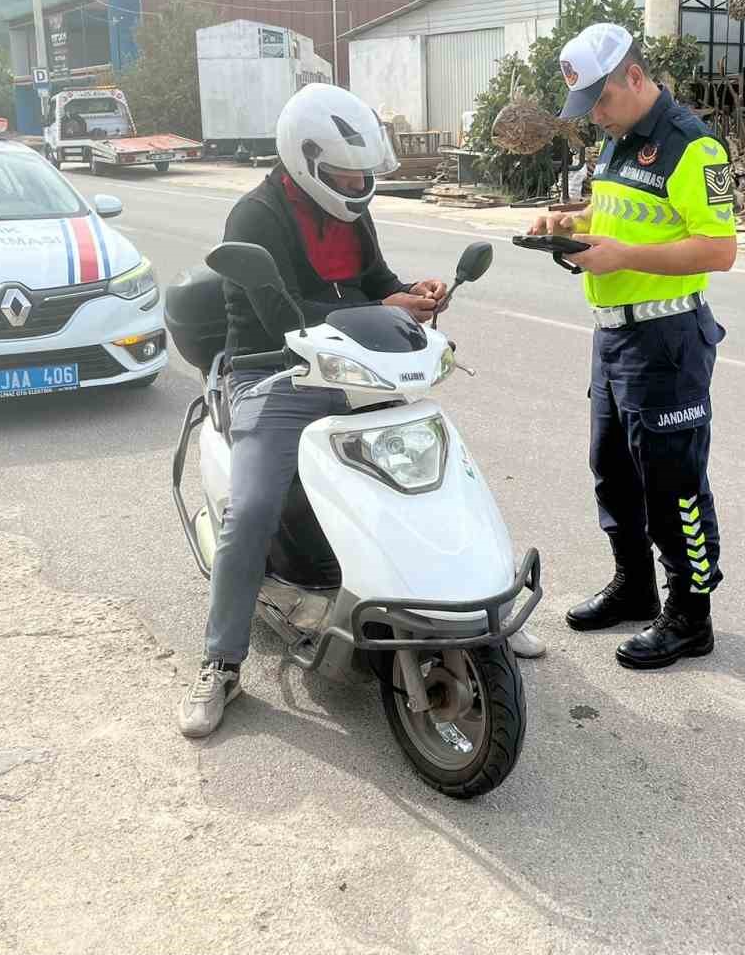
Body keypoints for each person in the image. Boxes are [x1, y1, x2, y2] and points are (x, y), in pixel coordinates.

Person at [181, 83, 544, 739]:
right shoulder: (254, 218)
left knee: (432, 469)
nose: (357, 186)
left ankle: (476, 607)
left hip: (349, 366)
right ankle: (221, 663)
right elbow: (282, 313)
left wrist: (411, 293)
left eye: (363, 174)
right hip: (272, 373)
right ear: (306, 161)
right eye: (346, 175)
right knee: (252, 509)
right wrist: (381, 309)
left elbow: (374, 281)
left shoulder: (351, 213)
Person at [528, 23, 737, 670]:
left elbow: (719, 249)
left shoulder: (693, 146)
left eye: (601, 99)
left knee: (674, 484)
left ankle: (690, 615)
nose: (595, 114)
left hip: (666, 338)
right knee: (613, 469)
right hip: (613, 335)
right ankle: (635, 586)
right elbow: (614, 216)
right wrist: (570, 224)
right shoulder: (615, 140)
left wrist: (623, 255)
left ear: (636, 77)